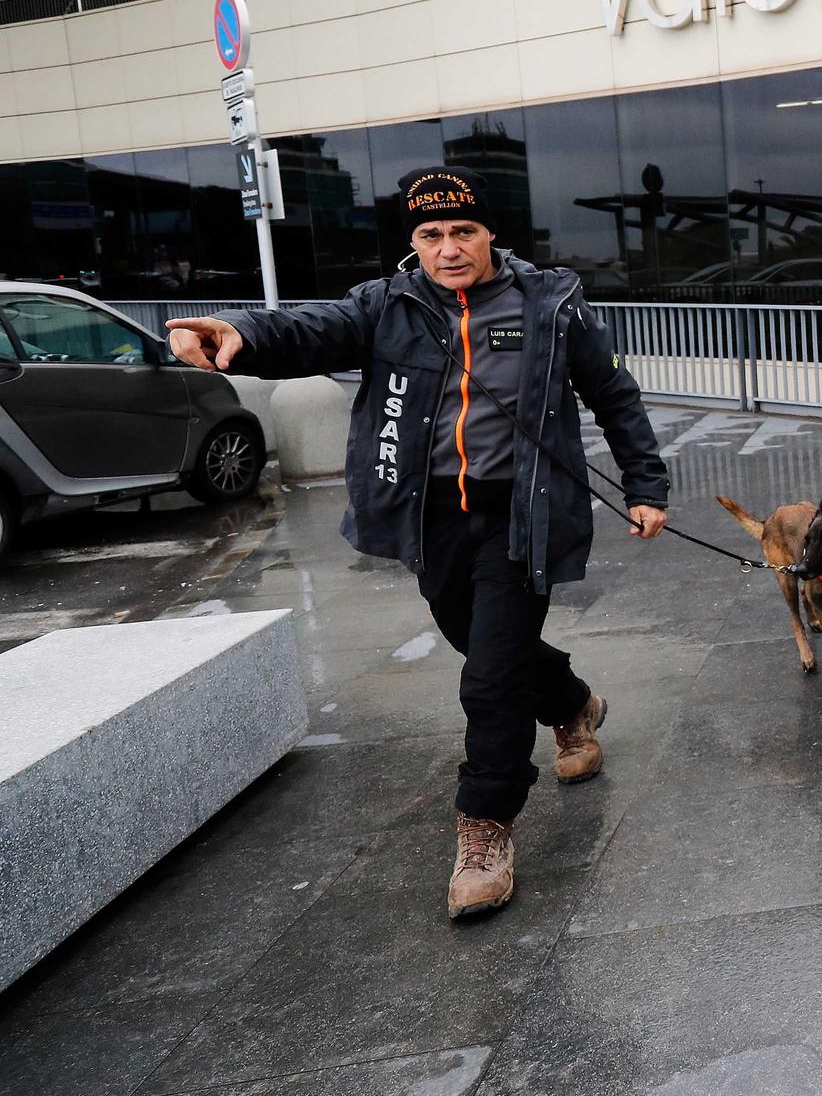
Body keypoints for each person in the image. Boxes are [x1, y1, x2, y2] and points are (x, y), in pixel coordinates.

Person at [166, 167, 670, 921]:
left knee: (491, 677)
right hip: (430, 516)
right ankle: (572, 703)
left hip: (518, 514)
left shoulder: (550, 302)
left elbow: (613, 392)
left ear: (490, 233)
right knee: (480, 641)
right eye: (432, 235)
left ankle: (486, 828)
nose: (449, 249)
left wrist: (644, 483)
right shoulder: (387, 305)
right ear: (414, 242)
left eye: (463, 231)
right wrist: (241, 330)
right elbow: (311, 328)